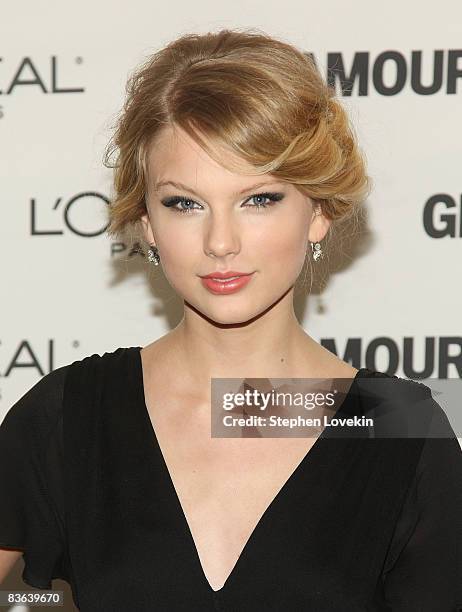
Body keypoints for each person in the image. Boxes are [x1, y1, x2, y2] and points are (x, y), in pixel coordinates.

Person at [1, 28, 461, 612]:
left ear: (318, 212)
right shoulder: (70, 416)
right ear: (146, 223)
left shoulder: (398, 430)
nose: (220, 241)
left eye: (259, 199)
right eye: (184, 203)